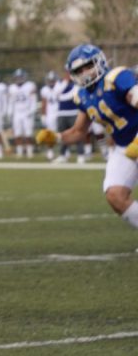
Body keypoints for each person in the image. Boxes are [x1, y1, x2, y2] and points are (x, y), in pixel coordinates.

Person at [37, 44, 138, 230]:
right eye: (79, 70)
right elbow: (78, 131)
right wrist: (56, 138)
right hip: (124, 147)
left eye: (88, 66)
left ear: (100, 61)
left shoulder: (115, 78)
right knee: (115, 195)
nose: (85, 73)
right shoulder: (82, 95)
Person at [7, 68, 39, 159]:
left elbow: (33, 100)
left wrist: (32, 111)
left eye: (20, 77)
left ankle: (29, 151)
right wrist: (9, 112)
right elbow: (11, 102)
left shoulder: (30, 85)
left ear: (24, 77)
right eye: (17, 77)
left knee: (28, 134)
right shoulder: (12, 88)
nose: (19, 79)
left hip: (27, 112)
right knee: (17, 134)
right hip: (17, 113)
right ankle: (19, 152)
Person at [40, 71, 62, 161]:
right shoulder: (44, 89)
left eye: (53, 80)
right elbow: (44, 103)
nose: (51, 82)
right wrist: (43, 115)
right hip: (50, 114)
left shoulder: (60, 87)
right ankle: (50, 151)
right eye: (49, 80)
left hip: (60, 113)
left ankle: (64, 151)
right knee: (50, 134)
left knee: (62, 133)